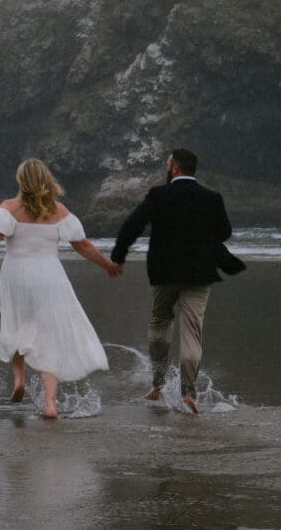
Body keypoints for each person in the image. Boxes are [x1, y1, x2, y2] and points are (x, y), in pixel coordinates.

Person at [0, 158, 121, 418]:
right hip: (50, 277)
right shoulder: (59, 211)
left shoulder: (8, 209)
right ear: (46, 179)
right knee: (49, 336)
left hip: (17, 275)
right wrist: (106, 264)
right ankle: (50, 403)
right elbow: (82, 245)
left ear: (21, 180)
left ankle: (19, 380)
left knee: (16, 324)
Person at [111, 148, 236, 414]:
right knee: (192, 331)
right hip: (200, 273)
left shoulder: (159, 194)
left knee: (160, 322)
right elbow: (224, 232)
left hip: (164, 272)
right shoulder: (212, 198)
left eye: (168, 164)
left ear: (175, 168)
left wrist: (118, 256)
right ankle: (188, 392)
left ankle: (158, 383)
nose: (167, 167)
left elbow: (133, 224)